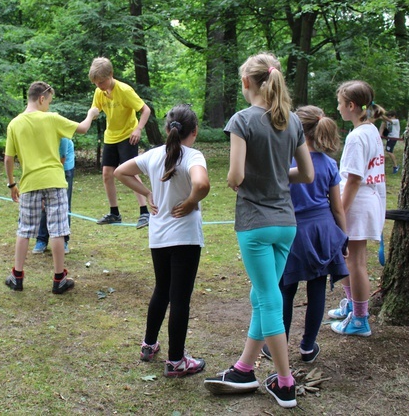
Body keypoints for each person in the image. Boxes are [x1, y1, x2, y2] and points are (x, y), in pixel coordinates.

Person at [204, 53, 313, 409]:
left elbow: (235, 176)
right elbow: (307, 174)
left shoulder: (243, 121)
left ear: (246, 82)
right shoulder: (292, 121)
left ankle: (284, 382)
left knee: (268, 298)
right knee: (261, 295)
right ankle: (244, 368)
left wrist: (239, 181)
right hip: (286, 225)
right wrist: (280, 177)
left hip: (255, 224)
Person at [115, 104, 210, 378]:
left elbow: (120, 171)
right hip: (185, 237)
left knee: (162, 289)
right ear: (194, 132)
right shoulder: (193, 155)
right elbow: (201, 185)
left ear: (168, 129)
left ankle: (148, 344)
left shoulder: (153, 155)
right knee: (180, 298)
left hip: (159, 236)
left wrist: (146, 192)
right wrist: (192, 201)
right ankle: (176, 361)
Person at [260, 106, 349, 364]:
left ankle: (279, 346)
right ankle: (308, 347)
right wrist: (343, 238)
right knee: (317, 288)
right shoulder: (330, 164)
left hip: (292, 231)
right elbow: (337, 208)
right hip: (322, 232)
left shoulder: (284, 160)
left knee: (285, 289)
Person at [4, 81, 99, 294]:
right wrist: (91, 113)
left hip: (29, 183)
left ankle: (17, 276)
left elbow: (8, 159)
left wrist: (12, 183)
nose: (48, 105)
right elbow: (83, 128)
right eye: (49, 101)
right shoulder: (52, 118)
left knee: (25, 229)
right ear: (41, 98)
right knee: (58, 229)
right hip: (55, 181)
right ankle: (58, 279)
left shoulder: (14, 124)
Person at [327, 81, 386, 337]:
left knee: (356, 262)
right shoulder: (370, 130)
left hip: (358, 206)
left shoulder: (356, 137)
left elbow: (353, 179)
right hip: (367, 202)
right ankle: (353, 306)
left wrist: (338, 211)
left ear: (351, 105)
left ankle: (360, 319)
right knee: (347, 258)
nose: (338, 108)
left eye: (340, 103)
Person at [89, 57, 152, 229]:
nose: (99, 86)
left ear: (111, 75)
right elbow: (96, 109)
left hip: (127, 136)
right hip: (111, 136)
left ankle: (144, 212)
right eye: (96, 83)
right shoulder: (99, 92)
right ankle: (114, 213)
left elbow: (146, 110)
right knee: (107, 174)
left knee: (129, 173)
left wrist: (138, 129)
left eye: (101, 82)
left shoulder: (124, 90)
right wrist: (90, 115)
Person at [33, 137, 75, 255]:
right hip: (45, 166)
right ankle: (41, 240)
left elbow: (62, 156)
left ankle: (63, 241)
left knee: (63, 205)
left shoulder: (61, 132)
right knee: (44, 203)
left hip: (64, 166)